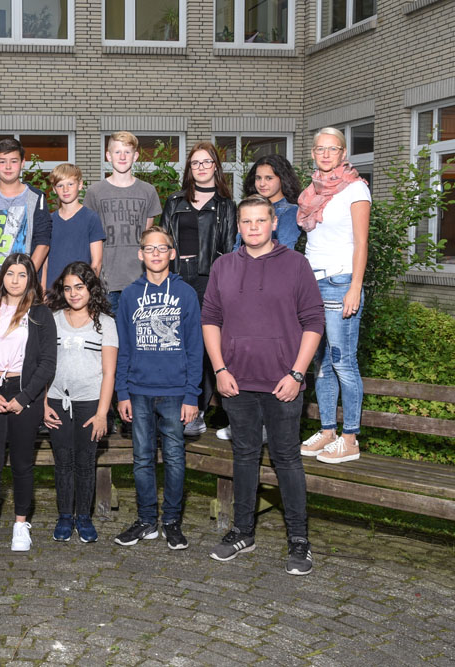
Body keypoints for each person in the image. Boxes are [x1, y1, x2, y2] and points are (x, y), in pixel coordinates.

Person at [202, 195, 324, 576]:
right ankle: (243, 532)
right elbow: (210, 320)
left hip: (283, 383)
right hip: (236, 382)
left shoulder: (296, 264)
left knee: (286, 459)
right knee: (244, 456)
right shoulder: (223, 266)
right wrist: (219, 369)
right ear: (238, 226)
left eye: (260, 220)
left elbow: (314, 322)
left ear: (274, 223)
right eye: (246, 221)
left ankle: (299, 540)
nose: (253, 227)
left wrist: (298, 374)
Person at [113, 227, 202, 550]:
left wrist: (192, 394)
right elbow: (122, 347)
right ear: (140, 254)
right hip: (138, 390)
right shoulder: (129, 295)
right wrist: (122, 392)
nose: (155, 254)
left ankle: (172, 522)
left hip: (176, 391)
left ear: (172, 254)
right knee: (142, 458)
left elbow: (195, 347)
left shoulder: (186, 294)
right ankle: (147, 520)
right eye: (149, 248)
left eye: (161, 248)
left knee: (175, 457)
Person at [0, 253, 57, 554]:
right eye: (10, 273)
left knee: (22, 464)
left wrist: (24, 398)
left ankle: (21, 524)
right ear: (2, 276)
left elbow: (47, 363)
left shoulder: (40, 313)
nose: (15, 280)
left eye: (22, 274)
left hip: (25, 394)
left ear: (30, 279)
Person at [298, 127, 371, 465]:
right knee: (322, 363)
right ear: (313, 153)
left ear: (343, 153)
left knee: (343, 361)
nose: (325, 154)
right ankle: (328, 431)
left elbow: (361, 242)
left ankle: (350, 438)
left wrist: (355, 287)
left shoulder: (355, 188)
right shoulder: (313, 190)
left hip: (341, 282)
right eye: (320, 149)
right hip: (312, 284)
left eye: (332, 149)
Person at [220, 153, 304, 443]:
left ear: (283, 178)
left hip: (274, 290)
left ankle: (267, 424)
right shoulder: (247, 208)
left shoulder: (290, 212)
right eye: (258, 177)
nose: (263, 183)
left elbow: (284, 248)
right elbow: (237, 248)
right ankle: (244, 422)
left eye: (269, 177)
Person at [160, 141, 237, 437]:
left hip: (209, 280)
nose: (201, 167)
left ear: (215, 167)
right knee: (175, 344)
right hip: (178, 279)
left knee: (206, 348)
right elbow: (163, 244)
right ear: (189, 169)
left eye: (206, 162)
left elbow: (229, 250)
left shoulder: (226, 205)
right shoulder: (174, 202)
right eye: (195, 163)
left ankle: (198, 412)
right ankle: (172, 408)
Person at [43, 261, 117, 543]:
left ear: (91, 288)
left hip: (91, 404)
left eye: (79, 287)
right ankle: (65, 517)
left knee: (85, 463)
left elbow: (109, 373)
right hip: (57, 401)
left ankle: (84, 517)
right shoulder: (52, 319)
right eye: (68, 288)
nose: (73, 293)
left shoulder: (106, 323)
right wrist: (43, 404)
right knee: (63, 462)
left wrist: (102, 413)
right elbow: (43, 365)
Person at [83, 131, 162, 314]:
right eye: (117, 152)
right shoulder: (95, 192)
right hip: (106, 281)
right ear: (108, 156)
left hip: (139, 279)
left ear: (135, 156)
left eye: (127, 152)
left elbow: (147, 237)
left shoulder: (148, 191)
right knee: (107, 330)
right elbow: (90, 238)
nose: (122, 157)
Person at [0, 138, 52, 307]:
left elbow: (43, 243)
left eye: (13, 161)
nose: (8, 167)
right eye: (2, 161)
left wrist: (26, 280)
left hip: (27, 289)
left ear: (23, 163)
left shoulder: (37, 198)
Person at [44, 164, 105, 289]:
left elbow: (96, 262)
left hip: (81, 290)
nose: (65, 189)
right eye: (60, 185)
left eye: (70, 184)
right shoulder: (48, 220)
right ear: (54, 189)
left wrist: (88, 290)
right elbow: (44, 262)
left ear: (80, 185)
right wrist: (43, 290)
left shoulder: (91, 218)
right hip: (53, 291)